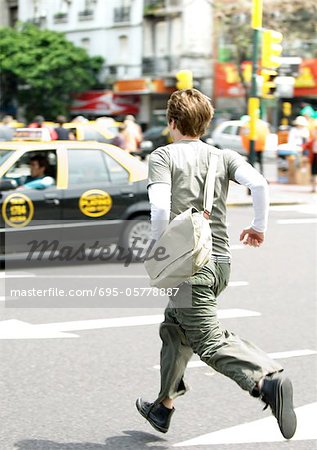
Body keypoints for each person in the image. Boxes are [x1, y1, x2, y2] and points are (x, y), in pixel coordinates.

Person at [136, 89, 297, 440]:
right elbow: (259, 183)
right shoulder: (223, 156)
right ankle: (163, 406)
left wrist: (159, 249)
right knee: (175, 330)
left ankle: (265, 380)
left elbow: (160, 208)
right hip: (220, 262)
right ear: (206, 124)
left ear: (171, 122)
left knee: (207, 339)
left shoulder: (163, 156)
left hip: (187, 266)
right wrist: (258, 227)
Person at [303, 120, 317, 193]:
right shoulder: (312, 141)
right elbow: (306, 146)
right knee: (313, 173)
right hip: (314, 158)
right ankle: (313, 188)